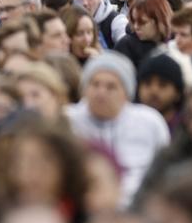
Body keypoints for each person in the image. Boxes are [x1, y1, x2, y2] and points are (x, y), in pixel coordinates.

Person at [67, 51, 169, 205]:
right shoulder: (67, 119)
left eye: (111, 87)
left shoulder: (150, 122)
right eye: (95, 84)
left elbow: (165, 169)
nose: (101, 93)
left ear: (126, 93)